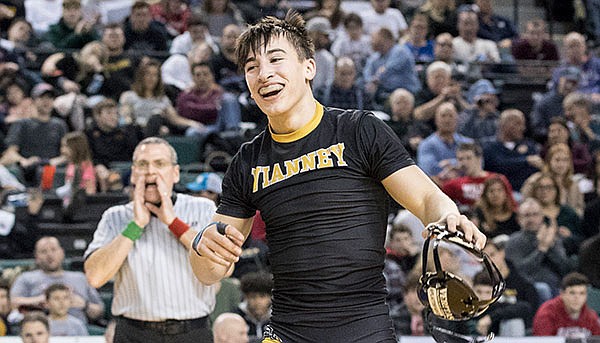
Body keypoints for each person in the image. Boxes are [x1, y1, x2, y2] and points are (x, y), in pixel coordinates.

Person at [189, 12, 486, 342]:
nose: (264, 73)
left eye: (275, 59)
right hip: (288, 331)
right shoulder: (247, 161)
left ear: (309, 68)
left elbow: (427, 197)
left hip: (364, 329)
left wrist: (449, 216)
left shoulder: (360, 130)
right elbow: (209, 271)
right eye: (251, 67)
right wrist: (202, 247)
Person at [84, 137, 218, 342]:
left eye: (160, 164)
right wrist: (135, 226)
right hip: (134, 333)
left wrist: (173, 222)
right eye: (142, 164)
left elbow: (219, 265)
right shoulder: (115, 216)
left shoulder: (203, 208)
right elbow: (95, 277)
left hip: (191, 332)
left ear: (175, 173)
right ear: (133, 174)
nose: (150, 171)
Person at [10, 237, 104, 324]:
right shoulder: (26, 278)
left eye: (54, 250)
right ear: (36, 257)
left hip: (78, 332)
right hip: (40, 332)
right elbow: (12, 304)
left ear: (62, 252)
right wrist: (41, 300)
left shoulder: (80, 278)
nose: (50, 255)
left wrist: (85, 305)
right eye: (43, 251)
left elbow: (100, 311)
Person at [505, 197, 574, 296]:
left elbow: (564, 266)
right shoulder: (513, 241)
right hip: (530, 287)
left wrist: (551, 246)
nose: (531, 219)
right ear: (519, 219)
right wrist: (541, 249)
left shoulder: (552, 237)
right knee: (543, 289)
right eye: (527, 215)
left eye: (535, 214)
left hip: (557, 285)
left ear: (542, 216)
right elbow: (520, 270)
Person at [442, 142, 513, 211]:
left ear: (479, 159)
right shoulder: (454, 184)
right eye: (460, 159)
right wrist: (444, 175)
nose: (464, 162)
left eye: (468, 158)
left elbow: (511, 204)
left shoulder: (497, 179)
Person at [533, 272, 600, 337]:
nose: (577, 298)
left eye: (582, 293)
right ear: (562, 294)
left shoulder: (591, 317)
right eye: (572, 293)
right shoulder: (547, 314)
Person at [235, 271, 272, 341]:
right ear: (246, 297)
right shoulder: (236, 316)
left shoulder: (277, 318)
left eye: (262, 296)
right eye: (253, 297)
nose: (258, 302)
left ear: (270, 297)